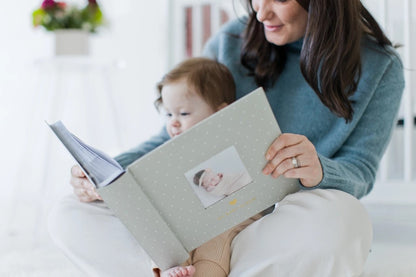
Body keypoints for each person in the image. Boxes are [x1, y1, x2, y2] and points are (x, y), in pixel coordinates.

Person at [48, 0, 405, 276]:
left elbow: (359, 170)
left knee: (343, 218)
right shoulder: (231, 38)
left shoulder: (380, 67)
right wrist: (106, 175)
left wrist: (319, 170)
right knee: (70, 211)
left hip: (274, 224)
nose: (261, 12)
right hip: (197, 216)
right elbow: (170, 137)